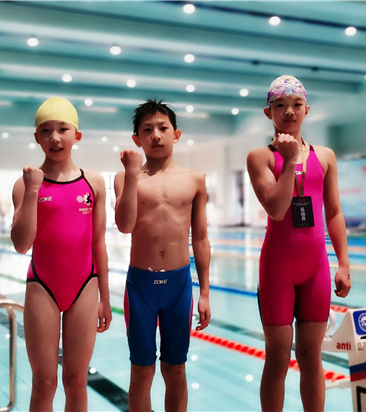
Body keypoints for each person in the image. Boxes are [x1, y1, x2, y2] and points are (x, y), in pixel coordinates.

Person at [246, 75, 351, 412]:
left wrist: (343, 263)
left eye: (296, 105)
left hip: (316, 269)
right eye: (280, 105)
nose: (289, 111)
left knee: (310, 356)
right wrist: (290, 160)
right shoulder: (260, 157)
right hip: (277, 269)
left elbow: (334, 212)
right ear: (268, 112)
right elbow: (276, 210)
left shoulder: (326, 156)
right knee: (278, 357)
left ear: (307, 109)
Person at [11, 97, 112, 411]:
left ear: (76, 135)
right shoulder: (25, 184)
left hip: (85, 285)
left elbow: (98, 244)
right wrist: (32, 191)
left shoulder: (93, 182)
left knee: (76, 380)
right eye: (46, 130)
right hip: (42, 286)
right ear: (37, 137)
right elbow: (21, 244)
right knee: (44, 383)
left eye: (63, 129)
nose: (54, 137)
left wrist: (105, 298)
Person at [114, 99, 211, 412]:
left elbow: (201, 237)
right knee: (142, 371)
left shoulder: (194, 180)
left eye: (162, 128)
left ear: (176, 134)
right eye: (147, 130)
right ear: (137, 139)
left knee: (175, 369)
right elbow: (124, 226)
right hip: (140, 286)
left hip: (179, 285)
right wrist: (131, 173)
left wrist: (205, 292)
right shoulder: (126, 178)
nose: (155, 135)